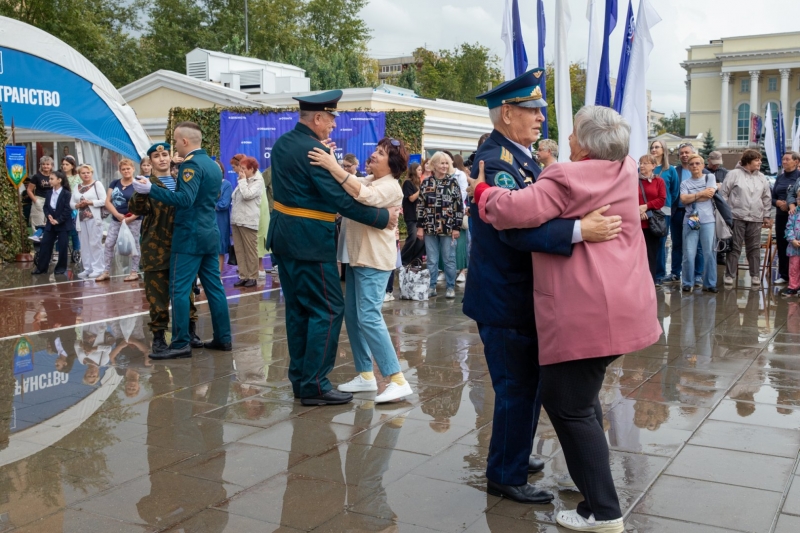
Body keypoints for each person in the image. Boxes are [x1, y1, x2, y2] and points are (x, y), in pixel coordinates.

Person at [473, 104, 660, 533]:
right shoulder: (626, 166)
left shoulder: (565, 175)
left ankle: (604, 510)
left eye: (574, 133)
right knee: (582, 399)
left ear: (587, 143)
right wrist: (577, 225)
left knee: (568, 406)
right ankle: (591, 485)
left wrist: (481, 192)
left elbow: (509, 212)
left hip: (588, 309)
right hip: (625, 305)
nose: (566, 138)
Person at [464, 70, 622, 509]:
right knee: (517, 388)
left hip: (523, 295)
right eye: (531, 111)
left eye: (540, 111)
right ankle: (505, 476)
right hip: (505, 297)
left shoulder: (525, 158)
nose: (539, 119)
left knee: (528, 387)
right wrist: (578, 231)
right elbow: (513, 232)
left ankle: (512, 454)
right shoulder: (495, 161)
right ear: (507, 113)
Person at [266, 89, 399, 406]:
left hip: (284, 236)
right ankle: (315, 384)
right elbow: (339, 200)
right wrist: (382, 218)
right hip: (310, 241)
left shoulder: (286, 143)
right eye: (331, 120)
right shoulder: (312, 150)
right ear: (317, 118)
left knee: (299, 310)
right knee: (327, 309)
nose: (333, 126)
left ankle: (300, 379)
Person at [308, 137, 414, 403]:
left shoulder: (391, 187)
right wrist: (330, 158)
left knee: (368, 316)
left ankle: (396, 379)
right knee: (354, 317)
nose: (374, 155)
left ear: (392, 164)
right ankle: (366, 375)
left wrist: (333, 166)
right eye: (376, 150)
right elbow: (350, 184)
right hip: (357, 257)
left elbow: (361, 195)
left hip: (373, 260)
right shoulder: (370, 179)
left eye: (381, 153)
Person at [132, 121, 232, 360]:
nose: (174, 147)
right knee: (215, 288)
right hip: (209, 234)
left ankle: (179, 343)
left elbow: (185, 199)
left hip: (189, 236)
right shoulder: (212, 165)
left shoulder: (191, 166)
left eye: (176, 142)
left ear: (185, 141)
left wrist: (151, 190)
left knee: (179, 290)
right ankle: (224, 338)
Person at [129, 142, 204, 354]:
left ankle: (189, 332)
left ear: (170, 157)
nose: (161, 158)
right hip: (155, 247)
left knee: (186, 292)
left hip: (181, 246)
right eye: (156, 156)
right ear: (150, 161)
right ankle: (159, 337)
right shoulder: (147, 182)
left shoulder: (182, 181)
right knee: (157, 296)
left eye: (164, 154)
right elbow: (136, 209)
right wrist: (140, 191)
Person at [720, 149, 772, 288]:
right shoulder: (733, 174)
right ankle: (729, 275)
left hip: (755, 218)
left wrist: (766, 215)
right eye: (757, 160)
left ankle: (755, 275)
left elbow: (767, 197)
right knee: (734, 247)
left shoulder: (761, 177)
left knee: (754, 248)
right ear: (748, 161)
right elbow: (723, 194)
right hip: (736, 216)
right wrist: (724, 214)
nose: (760, 162)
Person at [416, 151, 463, 298]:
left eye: (446, 163)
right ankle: (431, 286)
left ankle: (450, 287)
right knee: (432, 259)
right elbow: (420, 206)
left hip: (448, 227)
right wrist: (420, 227)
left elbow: (458, 206)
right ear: (434, 165)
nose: (444, 166)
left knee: (449, 258)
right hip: (429, 227)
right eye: (441, 163)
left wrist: (456, 227)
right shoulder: (426, 182)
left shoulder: (452, 182)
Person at [666, 143, 708, 285]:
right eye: (681, 153)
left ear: (693, 153)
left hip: (694, 214)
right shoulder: (674, 171)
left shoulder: (703, 172)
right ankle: (675, 273)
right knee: (677, 243)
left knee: (697, 245)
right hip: (677, 212)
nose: (684, 155)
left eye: (687, 152)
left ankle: (697, 275)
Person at [96, 159, 142, 282]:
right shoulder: (115, 183)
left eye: (128, 168)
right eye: (123, 169)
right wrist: (116, 214)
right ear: (120, 170)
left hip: (134, 219)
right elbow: (107, 201)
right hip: (117, 219)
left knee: (134, 245)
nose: (126, 171)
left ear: (133, 169)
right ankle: (106, 271)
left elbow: (143, 204)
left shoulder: (138, 184)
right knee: (109, 243)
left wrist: (130, 218)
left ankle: (134, 271)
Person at [680, 154, 719, 292]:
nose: (695, 166)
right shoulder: (685, 183)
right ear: (689, 167)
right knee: (689, 253)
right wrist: (699, 195)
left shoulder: (710, 178)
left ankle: (710, 283)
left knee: (709, 253)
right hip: (691, 219)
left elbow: (710, 194)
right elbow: (683, 200)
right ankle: (687, 282)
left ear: (703, 165)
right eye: (692, 164)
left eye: (697, 163)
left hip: (708, 220)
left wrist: (693, 197)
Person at [31, 170, 74, 276]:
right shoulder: (49, 192)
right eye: (49, 178)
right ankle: (41, 268)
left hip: (63, 224)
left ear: (59, 180)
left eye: (51, 179)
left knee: (63, 246)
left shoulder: (67, 194)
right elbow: (46, 207)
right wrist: (48, 215)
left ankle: (61, 268)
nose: (49, 181)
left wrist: (58, 220)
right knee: (45, 244)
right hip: (50, 223)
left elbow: (67, 209)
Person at [230, 156, 264, 287]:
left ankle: (252, 276)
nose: (241, 171)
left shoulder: (258, 181)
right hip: (237, 220)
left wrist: (242, 181)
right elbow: (235, 197)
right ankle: (243, 275)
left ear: (251, 169)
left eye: (243, 169)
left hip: (248, 221)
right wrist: (242, 181)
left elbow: (247, 195)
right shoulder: (243, 180)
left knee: (250, 250)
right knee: (239, 250)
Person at [650, 140, 680, 283]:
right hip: (646, 210)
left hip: (663, 212)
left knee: (661, 243)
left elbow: (674, 191)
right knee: (647, 243)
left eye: (657, 147)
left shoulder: (670, 170)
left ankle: (659, 275)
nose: (653, 149)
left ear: (664, 150)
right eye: (652, 147)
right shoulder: (645, 168)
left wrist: (666, 204)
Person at [71, 164, 106, 279]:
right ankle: (88, 268)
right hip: (81, 219)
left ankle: (98, 268)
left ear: (92, 173)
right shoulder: (77, 186)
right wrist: (77, 205)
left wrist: (90, 202)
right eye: (83, 173)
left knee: (95, 243)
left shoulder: (97, 184)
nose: (86, 175)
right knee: (84, 244)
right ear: (79, 174)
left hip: (94, 218)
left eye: (88, 172)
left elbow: (104, 201)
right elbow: (71, 203)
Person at [638, 154, 667, 283]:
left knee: (651, 255)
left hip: (652, 224)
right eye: (640, 163)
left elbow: (661, 200)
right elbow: (628, 198)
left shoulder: (659, 181)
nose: (642, 166)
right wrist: (637, 210)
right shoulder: (633, 181)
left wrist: (646, 207)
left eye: (645, 163)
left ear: (653, 166)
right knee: (636, 255)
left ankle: (650, 282)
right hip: (636, 224)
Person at [773, 151, 800, 284]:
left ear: (796, 161)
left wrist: (791, 204)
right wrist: (778, 203)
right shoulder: (780, 177)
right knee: (782, 244)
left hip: (796, 217)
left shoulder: (799, 177)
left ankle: (796, 278)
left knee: (796, 244)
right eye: (783, 159)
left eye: (787, 159)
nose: (784, 162)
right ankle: (784, 275)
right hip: (781, 216)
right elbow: (772, 197)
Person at [400, 162, 425, 265]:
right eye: (419, 170)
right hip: (411, 215)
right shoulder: (408, 183)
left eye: (421, 170)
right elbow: (411, 198)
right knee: (413, 237)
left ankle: (416, 260)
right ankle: (403, 260)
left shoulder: (418, 183)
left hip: (419, 215)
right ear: (414, 171)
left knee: (421, 240)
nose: (420, 172)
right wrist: (420, 190)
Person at [27, 156, 54, 236]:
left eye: (48, 164)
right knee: (38, 223)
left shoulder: (54, 176)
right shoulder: (37, 176)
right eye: (43, 164)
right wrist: (35, 200)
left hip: (51, 201)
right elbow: (29, 190)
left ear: (51, 165)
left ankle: (47, 244)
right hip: (39, 200)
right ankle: (37, 245)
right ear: (41, 165)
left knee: (49, 223)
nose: (45, 166)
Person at [61, 155, 81, 258]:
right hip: (62, 204)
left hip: (74, 205)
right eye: (63, 164)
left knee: (74, 228)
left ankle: (76, 250)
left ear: (72, 166)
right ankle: (61, 250)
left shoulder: (78, 177)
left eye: (67, 164)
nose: (64, 166)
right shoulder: (60, 176)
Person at [215, 161, 233, 274]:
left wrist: (209, 204)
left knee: (219, 247)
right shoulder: (205, 183)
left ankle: (218, 275)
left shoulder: (226, 184)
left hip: (220, 220)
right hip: (206, 218)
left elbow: (224, 204)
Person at [783, 205, 800, 296]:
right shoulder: (793, 213)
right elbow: (788, 228)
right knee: (794, 268)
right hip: (794, 248)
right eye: (799, 198)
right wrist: (792, 239)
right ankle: (793, 287)